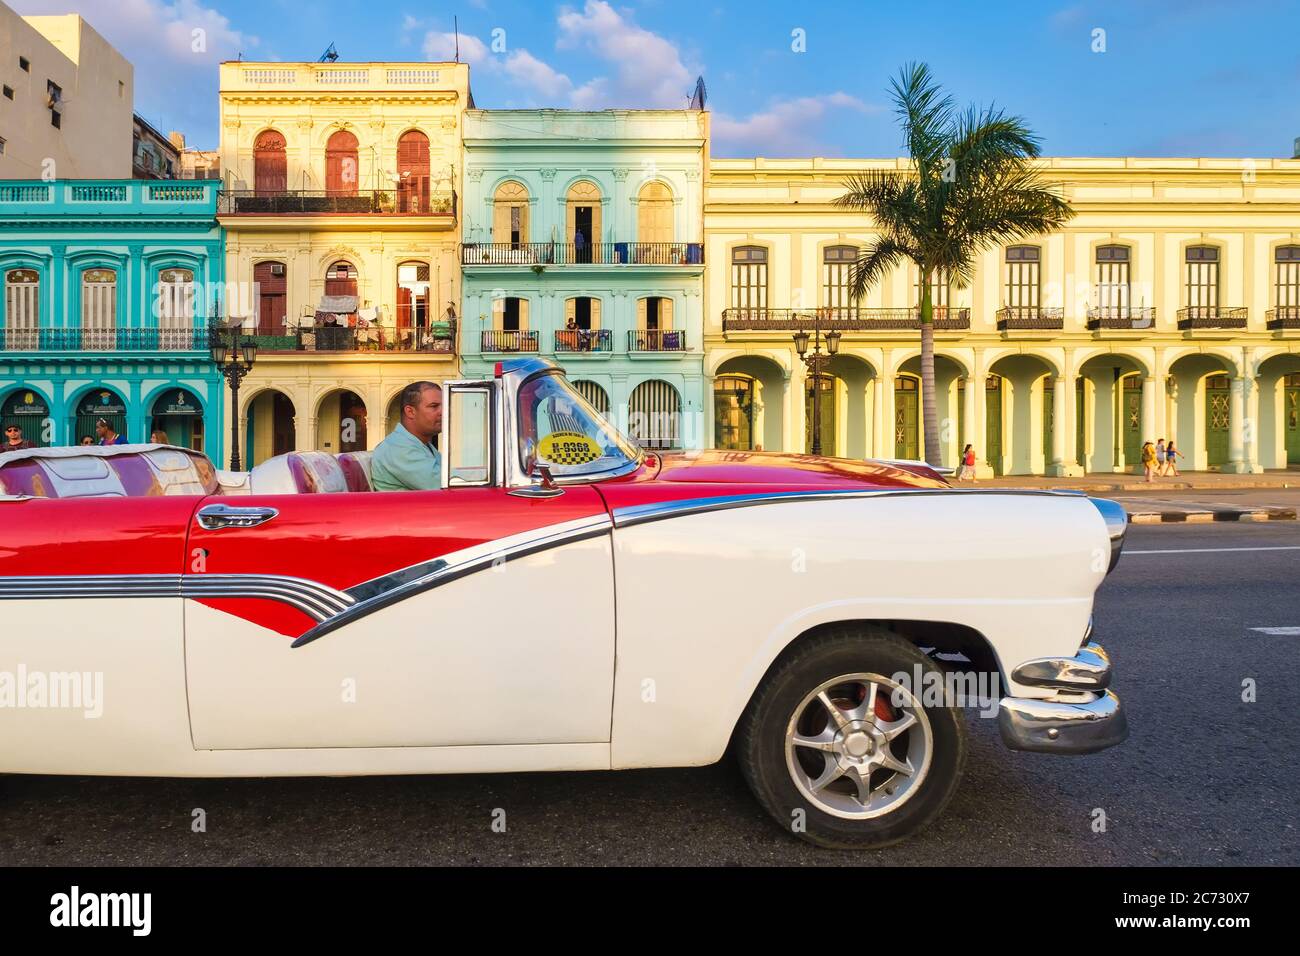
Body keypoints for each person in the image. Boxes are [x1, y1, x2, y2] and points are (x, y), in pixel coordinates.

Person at [371, 381, 442, 492]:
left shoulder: (419, 444)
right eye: (434, 406)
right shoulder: (398, 449)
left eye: (444, 406)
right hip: (408, 509)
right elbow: (445, 485)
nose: (443, 411)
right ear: (410, 412)